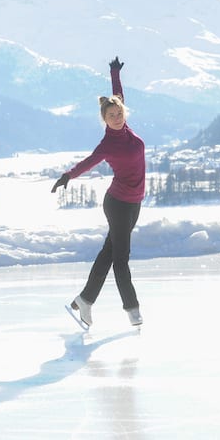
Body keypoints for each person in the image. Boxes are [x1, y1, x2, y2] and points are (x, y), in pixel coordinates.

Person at [52, 56, 146, 327]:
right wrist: (68, 175)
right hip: (117, 204)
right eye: (110, 116)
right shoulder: (107, 145)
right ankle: (132, 309)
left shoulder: (126, 128)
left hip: (134, 203)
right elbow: (87, 163)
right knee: (120, 259)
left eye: (119, 113)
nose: (116, 118)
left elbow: (118, 95)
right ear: (104, 119)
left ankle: (84, 300)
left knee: (108, 254)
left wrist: (114, 71)